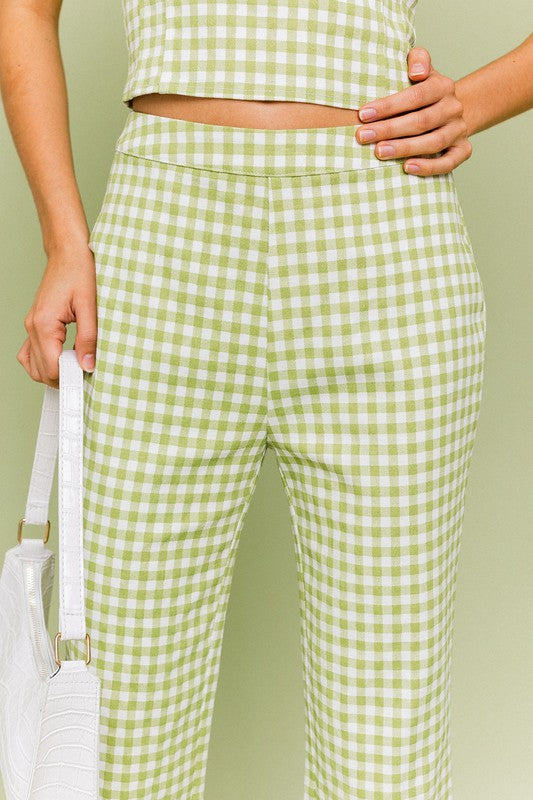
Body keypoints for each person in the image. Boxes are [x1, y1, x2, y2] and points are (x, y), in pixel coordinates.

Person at [0, 0, 531, 795]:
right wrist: (62, 239)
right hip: (162, 246)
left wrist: (474, 101)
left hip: (385, 247)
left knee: (387, 748)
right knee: (116, 740)